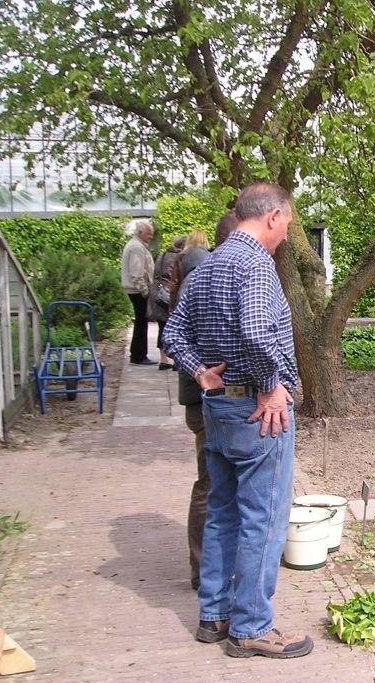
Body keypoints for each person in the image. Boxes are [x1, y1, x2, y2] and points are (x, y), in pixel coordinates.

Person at [163, 185, 312, 659]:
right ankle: (250, 626)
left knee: (223, 512)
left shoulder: (207, 267)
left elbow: (173, 332)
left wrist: (198, 369)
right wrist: (271, 386)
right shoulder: (254, 265)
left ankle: (215, 615)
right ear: (271, 216)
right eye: (287, 221)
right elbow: (253, 330)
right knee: (263, 520)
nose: (287, 233)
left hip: (219, 409)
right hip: (256, 410)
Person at [173, 213, 237, 592]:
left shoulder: (198, 273)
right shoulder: (210, 278)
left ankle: (210, 568)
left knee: (213, 482)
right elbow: (178, 339)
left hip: (203, 398)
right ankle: (204, 572)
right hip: (208, 399)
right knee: (211, 483)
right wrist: (202, 376)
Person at [148, 235, 186, 370]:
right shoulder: (180, 257)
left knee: (162, 327)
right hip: (170, 295)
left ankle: (163, 359)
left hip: (158, 293)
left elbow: (155, 273)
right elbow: (177, 278)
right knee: (175, 328)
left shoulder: (162, 255)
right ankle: (176, 361)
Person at [120, 219, 155, 365]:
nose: (150, 237)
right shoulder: (136, 247)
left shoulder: (137, 245)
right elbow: (137, 273)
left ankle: (138, 354)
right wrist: (145, 291)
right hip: (137, 290)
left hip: (136, 289)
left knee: (141, 321)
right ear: (140, 233)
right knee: (141, 322)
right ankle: (139, 355)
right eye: (148, 234)